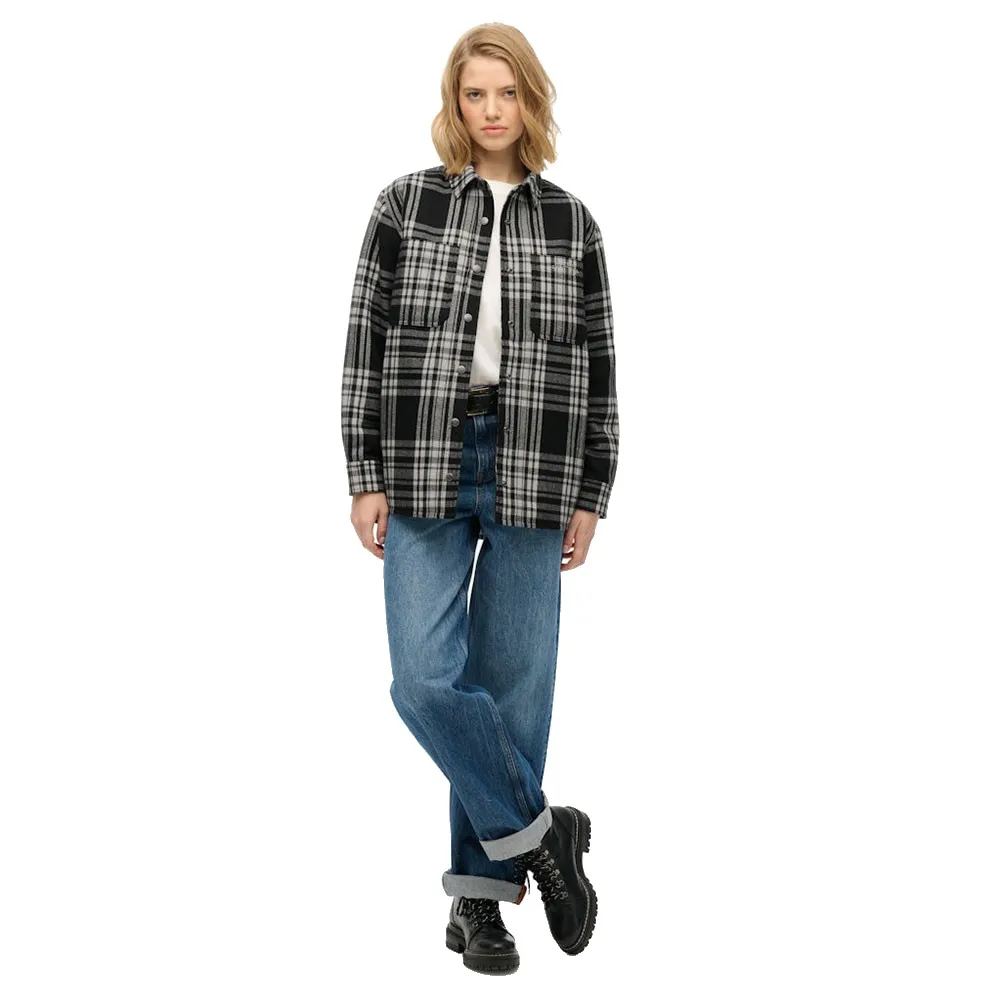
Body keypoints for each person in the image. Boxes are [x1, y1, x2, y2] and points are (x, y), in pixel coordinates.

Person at [341, 22, 619, 976]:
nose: (491, 111)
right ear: (454, 102)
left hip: (538, 461)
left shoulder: (572, 223)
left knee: (511, 689)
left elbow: (603, 364)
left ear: (530, 100)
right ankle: (543, 833)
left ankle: (482, 905)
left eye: (507, 93)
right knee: (424, 682)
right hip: (424, 455)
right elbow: (364, 340)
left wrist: (594, 489)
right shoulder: (404, 204)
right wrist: (363, 472)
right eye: (474, 94)